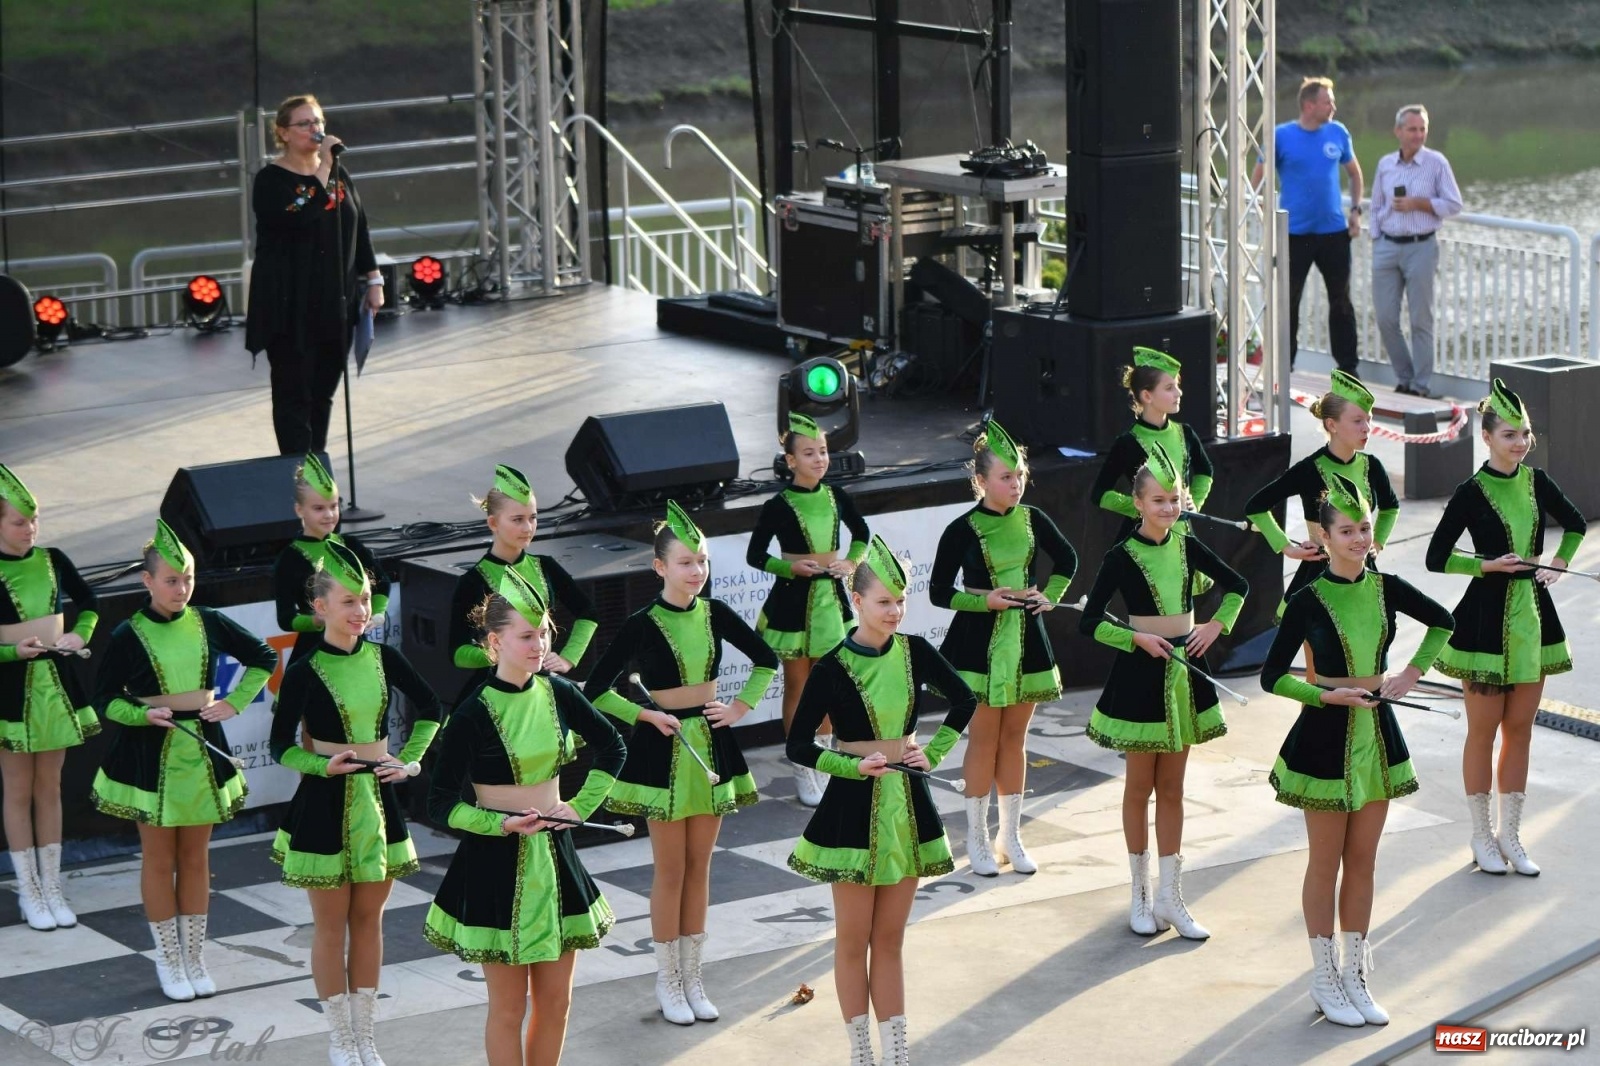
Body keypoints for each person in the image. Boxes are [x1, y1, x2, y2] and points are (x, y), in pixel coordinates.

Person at [1261, 473, 1454, 1028]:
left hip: (1378, 733)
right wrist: (1324, 693)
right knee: (1326, 861)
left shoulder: (1388, 586)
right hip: (1323, 737)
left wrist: (1414, 673)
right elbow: (1273, 676)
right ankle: (1323, 978)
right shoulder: (1306, 599)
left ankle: (1355, 973)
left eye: (1364, 527)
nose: (1358, 538)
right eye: (1346, 530)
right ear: (1322, 537)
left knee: (1364, 860)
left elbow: (1444, 621)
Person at [582, 502, 778, 1026]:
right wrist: (646, 714)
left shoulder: (716, 613)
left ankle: (694, 977)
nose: (697, 572)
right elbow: (596, 690)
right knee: (670, 870)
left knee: (701, 867)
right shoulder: (642, 624)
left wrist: (738, 707)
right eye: (686, 563)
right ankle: (667, 979)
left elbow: (766, 658)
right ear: (659, 567)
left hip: (711, 745)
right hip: (663, 753)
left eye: (704, 562)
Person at [786, 535, 978, 1066]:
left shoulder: (916, 650)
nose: (895, 611)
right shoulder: (829, 668)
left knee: (890, 939)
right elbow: (798, 744)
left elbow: (964, 697)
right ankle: (861, 1055)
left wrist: (934, 751)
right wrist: (850, 765)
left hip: (908, 803)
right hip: (851, 807)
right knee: (853, 940)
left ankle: (897, 1055)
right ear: (857, 603)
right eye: (884, 602)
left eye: (901, 601)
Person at [425, 570, 626, 1066]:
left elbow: (612, 746)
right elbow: (439, 802)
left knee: (557, 1002)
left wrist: (579, 807)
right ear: (494, 642)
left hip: (556, 860)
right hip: (495, 864)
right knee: (509, 1008)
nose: (540, 645)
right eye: (526, 635)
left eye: (544, 633)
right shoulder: (472, 713)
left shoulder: (559, 693)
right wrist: (498, 824)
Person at [269, 539, 443, 1066]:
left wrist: (409, 760)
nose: (361, 611)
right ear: (320, 608)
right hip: (323, 803)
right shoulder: (303, 670)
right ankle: (340, 1038)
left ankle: (366, 1037)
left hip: (378, 802)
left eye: (365, 599)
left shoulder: (385, 656)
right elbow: (280, 746)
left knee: (370, 923)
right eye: (348, 601)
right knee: (330, 926)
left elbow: (432, 708)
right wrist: (322, 765)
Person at [91, 521, 276, 1001]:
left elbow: (263, 658)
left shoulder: (209, 620)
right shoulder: (128, 634)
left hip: (202, 747)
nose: (182, 588)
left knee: (196, 857)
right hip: (150, 754)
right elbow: (105, 698)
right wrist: (142, 714)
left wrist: (235, 703)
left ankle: (195, 956)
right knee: (159, 858)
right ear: (147, 581)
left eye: (188, 578)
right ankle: (168, 960)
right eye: (171, 579)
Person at [1080, 444, 1248, 941]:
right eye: (1159, 501)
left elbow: (1237, 584)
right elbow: (1090, 621)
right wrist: (1134, 637)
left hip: (1186, 669)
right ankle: (1141, 895)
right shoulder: (1121, 555)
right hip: (1140, 673)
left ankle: (1173, 898)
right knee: (1140, 788)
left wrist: (1216, 626)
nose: (1169, 509)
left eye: (1174, 499)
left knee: (1173, 788)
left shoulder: (1187, 543)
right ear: (1137, 503)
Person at [1424, 379, 1585, 877]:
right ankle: (1480, 836)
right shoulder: (1470, 492)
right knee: (1483, 731)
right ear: (1488, 438)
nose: (1521, 443)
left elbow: (1575, 523)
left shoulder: (1538, 482)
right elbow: (1435, 557)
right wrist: (1487, 567)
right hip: (1485, 622)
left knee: (1520, 731)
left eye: (1525, 434)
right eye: (1510, 435)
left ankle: (1511, 836)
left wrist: (1557, 562)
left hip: (1533, 617)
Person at [930, 421, 1077, 877]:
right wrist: (983, 601)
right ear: (980, 481)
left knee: (1016, 738)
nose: (1015, 485)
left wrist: (1050, 593)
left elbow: (1067, 559)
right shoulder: (962, 528)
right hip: (977, 643)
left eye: (1019, 476)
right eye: (1005, 477)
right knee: (984, 738)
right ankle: (975, 836)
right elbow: (938, 592)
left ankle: (1010, 836)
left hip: (1027, 639)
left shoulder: (1034, 518)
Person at [246, 93, 384, 455]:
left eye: (319, 122)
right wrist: (324, 166)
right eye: (305, 123)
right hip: (290, 306)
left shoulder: (339, 175)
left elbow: (359, 226)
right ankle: (295, 476)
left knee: (322, 394)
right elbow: (299, 214)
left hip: (334, 302)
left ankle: (317, 476)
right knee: (295, 395)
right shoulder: (270, 181)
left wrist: (374, 279)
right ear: (284, 133)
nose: (315, 129)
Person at [745, 413, 871, 807]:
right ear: (790, 460)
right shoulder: (778, 504)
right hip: (793, 603)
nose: (819, 459)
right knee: (798, 686)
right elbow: (755, 555)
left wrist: (850, 563)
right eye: (809, 453)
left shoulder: (837, 497)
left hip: (830, 602)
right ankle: (803, 766)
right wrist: (791, 568)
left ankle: (825, 761)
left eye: (823, 451)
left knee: (830, 687)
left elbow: (862, 534)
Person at [0, 464, 99, 931]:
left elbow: (91, 603)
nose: (30, 529)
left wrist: (80, 634)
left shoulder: (54, 558)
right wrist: (9, 650)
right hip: (10, 694)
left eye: (34, 519)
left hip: (55, 688)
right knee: (18, 790)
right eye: (19, 522)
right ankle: (30, 891)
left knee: (50, 787)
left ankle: (53, 885)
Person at [1244, 370, 1399, 625]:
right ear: (1332, 424)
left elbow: (1391, 507)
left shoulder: (1372, 466)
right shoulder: (1309, 469)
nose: (1367, 428)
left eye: (1369, 420)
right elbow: (1256, 506)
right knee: (1319, 660)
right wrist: (1287, 547)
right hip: (1319, 575)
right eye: (1358, 420)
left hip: (1364, 572)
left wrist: (1377, 543)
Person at [450, 465, 598, 696]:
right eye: (517, 520)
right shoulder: (473, 581)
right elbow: (458, 654)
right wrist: (502, 652)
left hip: (544, 683)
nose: (528, 528)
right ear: (493, 524)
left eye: (533, 518)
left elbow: (588, 613)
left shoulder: (546, 566)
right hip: (494, 687)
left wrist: (568, 658)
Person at [1253, 76, 1363, 375]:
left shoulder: (1338, 132)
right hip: (1294, 234)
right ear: (1309, 104)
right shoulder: (1282, 135)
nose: (1333, 106)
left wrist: (1355, 210)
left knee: (1341, 301)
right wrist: (1263, 209)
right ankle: (1284, 366)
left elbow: (1354, 174)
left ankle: (1348, 368)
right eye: (1328, 101)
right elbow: (1259, 174)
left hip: (1334, 234)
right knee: (1289, 302)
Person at [1370, 105, 1464, 398]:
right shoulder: (1386, 163)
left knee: (1421, 319)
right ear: (1398, 131)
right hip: (1386, 247)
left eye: (1422, 128)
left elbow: (1454, 204)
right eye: (1412, 129)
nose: (1418, 135)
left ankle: (1420, 387)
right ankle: (1405, 377)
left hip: (1421, 247)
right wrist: (1376, 237)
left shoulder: (1436, 163)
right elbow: (1374, 205)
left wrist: (1419, 204)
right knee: (1385, 318)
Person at [273, 453, 390, 667]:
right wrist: (316, 620)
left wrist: (378, 613)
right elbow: (286, 618)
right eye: (319, 508)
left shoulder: (352, 545)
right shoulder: (289, 559)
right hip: (314, 651)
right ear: (300, 510)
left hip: (356, 646)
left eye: (334, 506)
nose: (329, 514)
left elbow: (382, 583)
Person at [1090, 347, 1214, 539]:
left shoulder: (1186, 433)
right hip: (1142, 537)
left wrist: (1194, 502)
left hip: (1182, 534)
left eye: (1177, 385)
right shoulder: (1128, 442)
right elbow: (1100, 494)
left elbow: (1205, 471)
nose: (1178, 393)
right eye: (1169, 388)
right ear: (1147, 396)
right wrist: (1144, 507)